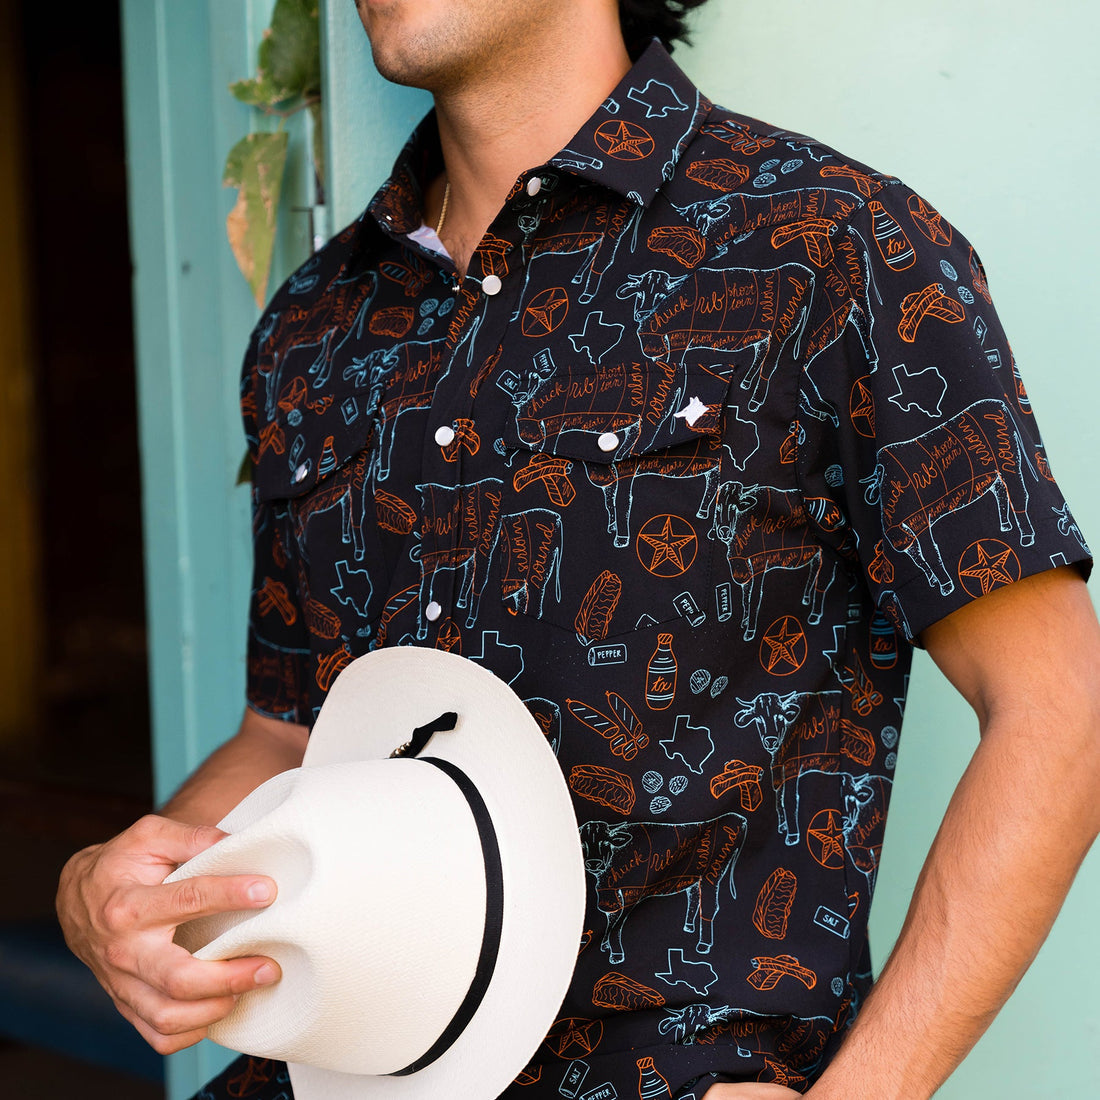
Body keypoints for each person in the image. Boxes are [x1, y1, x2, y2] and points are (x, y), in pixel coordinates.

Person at [57, 1, 1099, 1097]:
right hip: (343, 1070)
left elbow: (1058, 708)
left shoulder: (832, 245)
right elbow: (288, 733)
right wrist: (131, 881)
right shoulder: (311, 326)